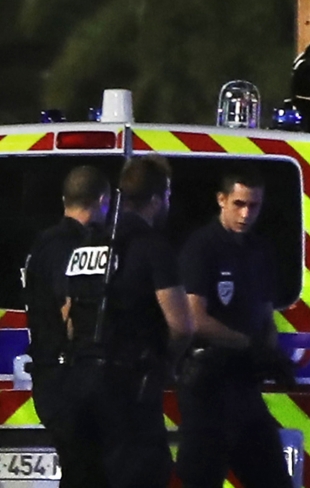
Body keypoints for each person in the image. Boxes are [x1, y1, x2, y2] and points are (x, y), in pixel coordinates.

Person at [63, 155, 193, 488]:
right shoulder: (154, 248)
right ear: (157, 198)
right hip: (128, 388)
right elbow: (181, 325)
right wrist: (167, 362)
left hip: (81, 384)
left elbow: (67, 316)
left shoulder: (87, 245)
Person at [176, 170, 293, 488]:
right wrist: (247, 343)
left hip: (243, 387)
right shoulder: (202, 247)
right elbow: (195, 318)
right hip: (208, 388)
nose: (246, 213)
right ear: (222, 200)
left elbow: (265, 315)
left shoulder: (259, 251)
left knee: (273, 479)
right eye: (239, 203)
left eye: (254, 205)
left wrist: (271, 351)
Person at [23, 165, 111, 488]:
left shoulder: (43, 243)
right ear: (103, 201)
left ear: (65, 199)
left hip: (52, 379)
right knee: (89, 474)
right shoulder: (71, 247)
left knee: (80, 474)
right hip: (67, 379)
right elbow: (69, 311)